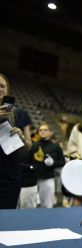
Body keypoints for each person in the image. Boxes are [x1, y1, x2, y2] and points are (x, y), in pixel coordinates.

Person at [0, 73, 32, 209]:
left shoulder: (20, 114)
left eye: (2, 86)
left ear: (7, 90)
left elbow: (28, 147)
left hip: (10, 179)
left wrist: (22, 138)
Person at [32, 123, 65, 208]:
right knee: (31, 205)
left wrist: (53, 163)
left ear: (50, 132)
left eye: (45, 130)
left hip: (48, 179)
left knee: (47, 205)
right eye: (41, 130)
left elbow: (62, 162)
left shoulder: (55, 146)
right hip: (33, 179)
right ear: (38, 132)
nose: (43, 132)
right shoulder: (34, 145)